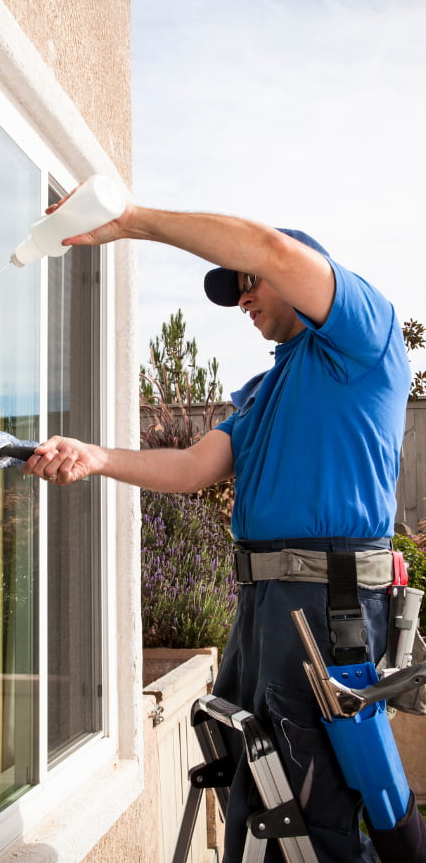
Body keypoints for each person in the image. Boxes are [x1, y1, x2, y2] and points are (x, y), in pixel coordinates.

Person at [24, 200, 412, 862]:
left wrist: (130, 221)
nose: (242, 301)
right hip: (265, 609)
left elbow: (269, 247)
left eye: (250, 283)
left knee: (310, 809)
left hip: (326, 606)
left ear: (295, 277)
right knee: (256, 788)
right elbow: (190, 467)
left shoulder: (361, 339)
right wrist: (94, 457)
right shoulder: (263, 392)